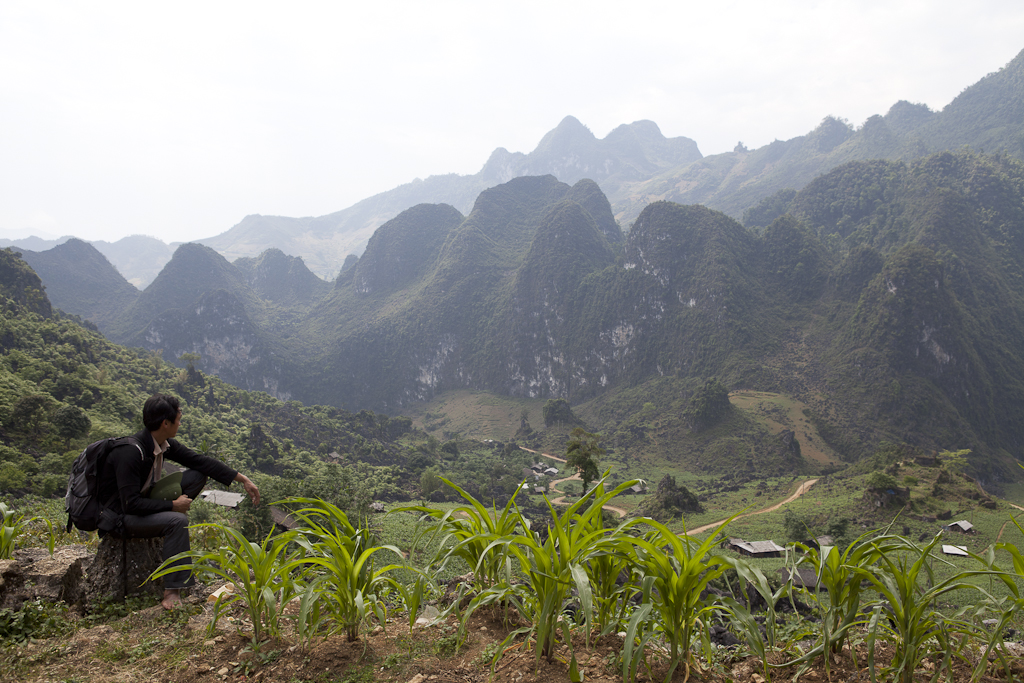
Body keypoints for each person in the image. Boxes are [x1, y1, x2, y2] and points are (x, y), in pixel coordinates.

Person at [96, 393, 260, 609]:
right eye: (178, 419)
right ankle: (172, 591)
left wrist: (241, 479)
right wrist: (173, 506)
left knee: (198, 473)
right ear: (166, 423)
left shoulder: (161, 443)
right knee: (177, 522)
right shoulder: (130, 453)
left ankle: (169, 518)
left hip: (141, 504)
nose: (180, 424)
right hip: (120, 518)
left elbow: (199, 461)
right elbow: (130, 504)